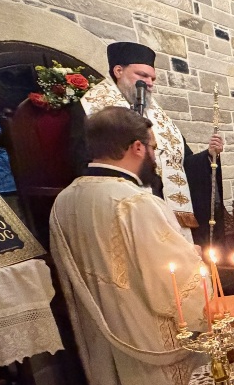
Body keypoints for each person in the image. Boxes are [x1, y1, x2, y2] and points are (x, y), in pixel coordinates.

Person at [50, 106, 207, 385]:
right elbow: (171, 281)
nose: (154, 156)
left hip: (102, 336)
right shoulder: (136, 203)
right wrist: (198, 265)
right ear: (137, 147)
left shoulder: (65, 201)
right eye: (152, 148)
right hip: (151, 337)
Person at [78, 41, 224, 246]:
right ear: (118, 71)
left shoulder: (157, 116)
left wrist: (208, 155)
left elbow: (183, 162)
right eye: (143, 75)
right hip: (121, 206)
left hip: (163, 206)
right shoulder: (93, 109)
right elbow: (83, 162)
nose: (149, 83)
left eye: (152, 78)